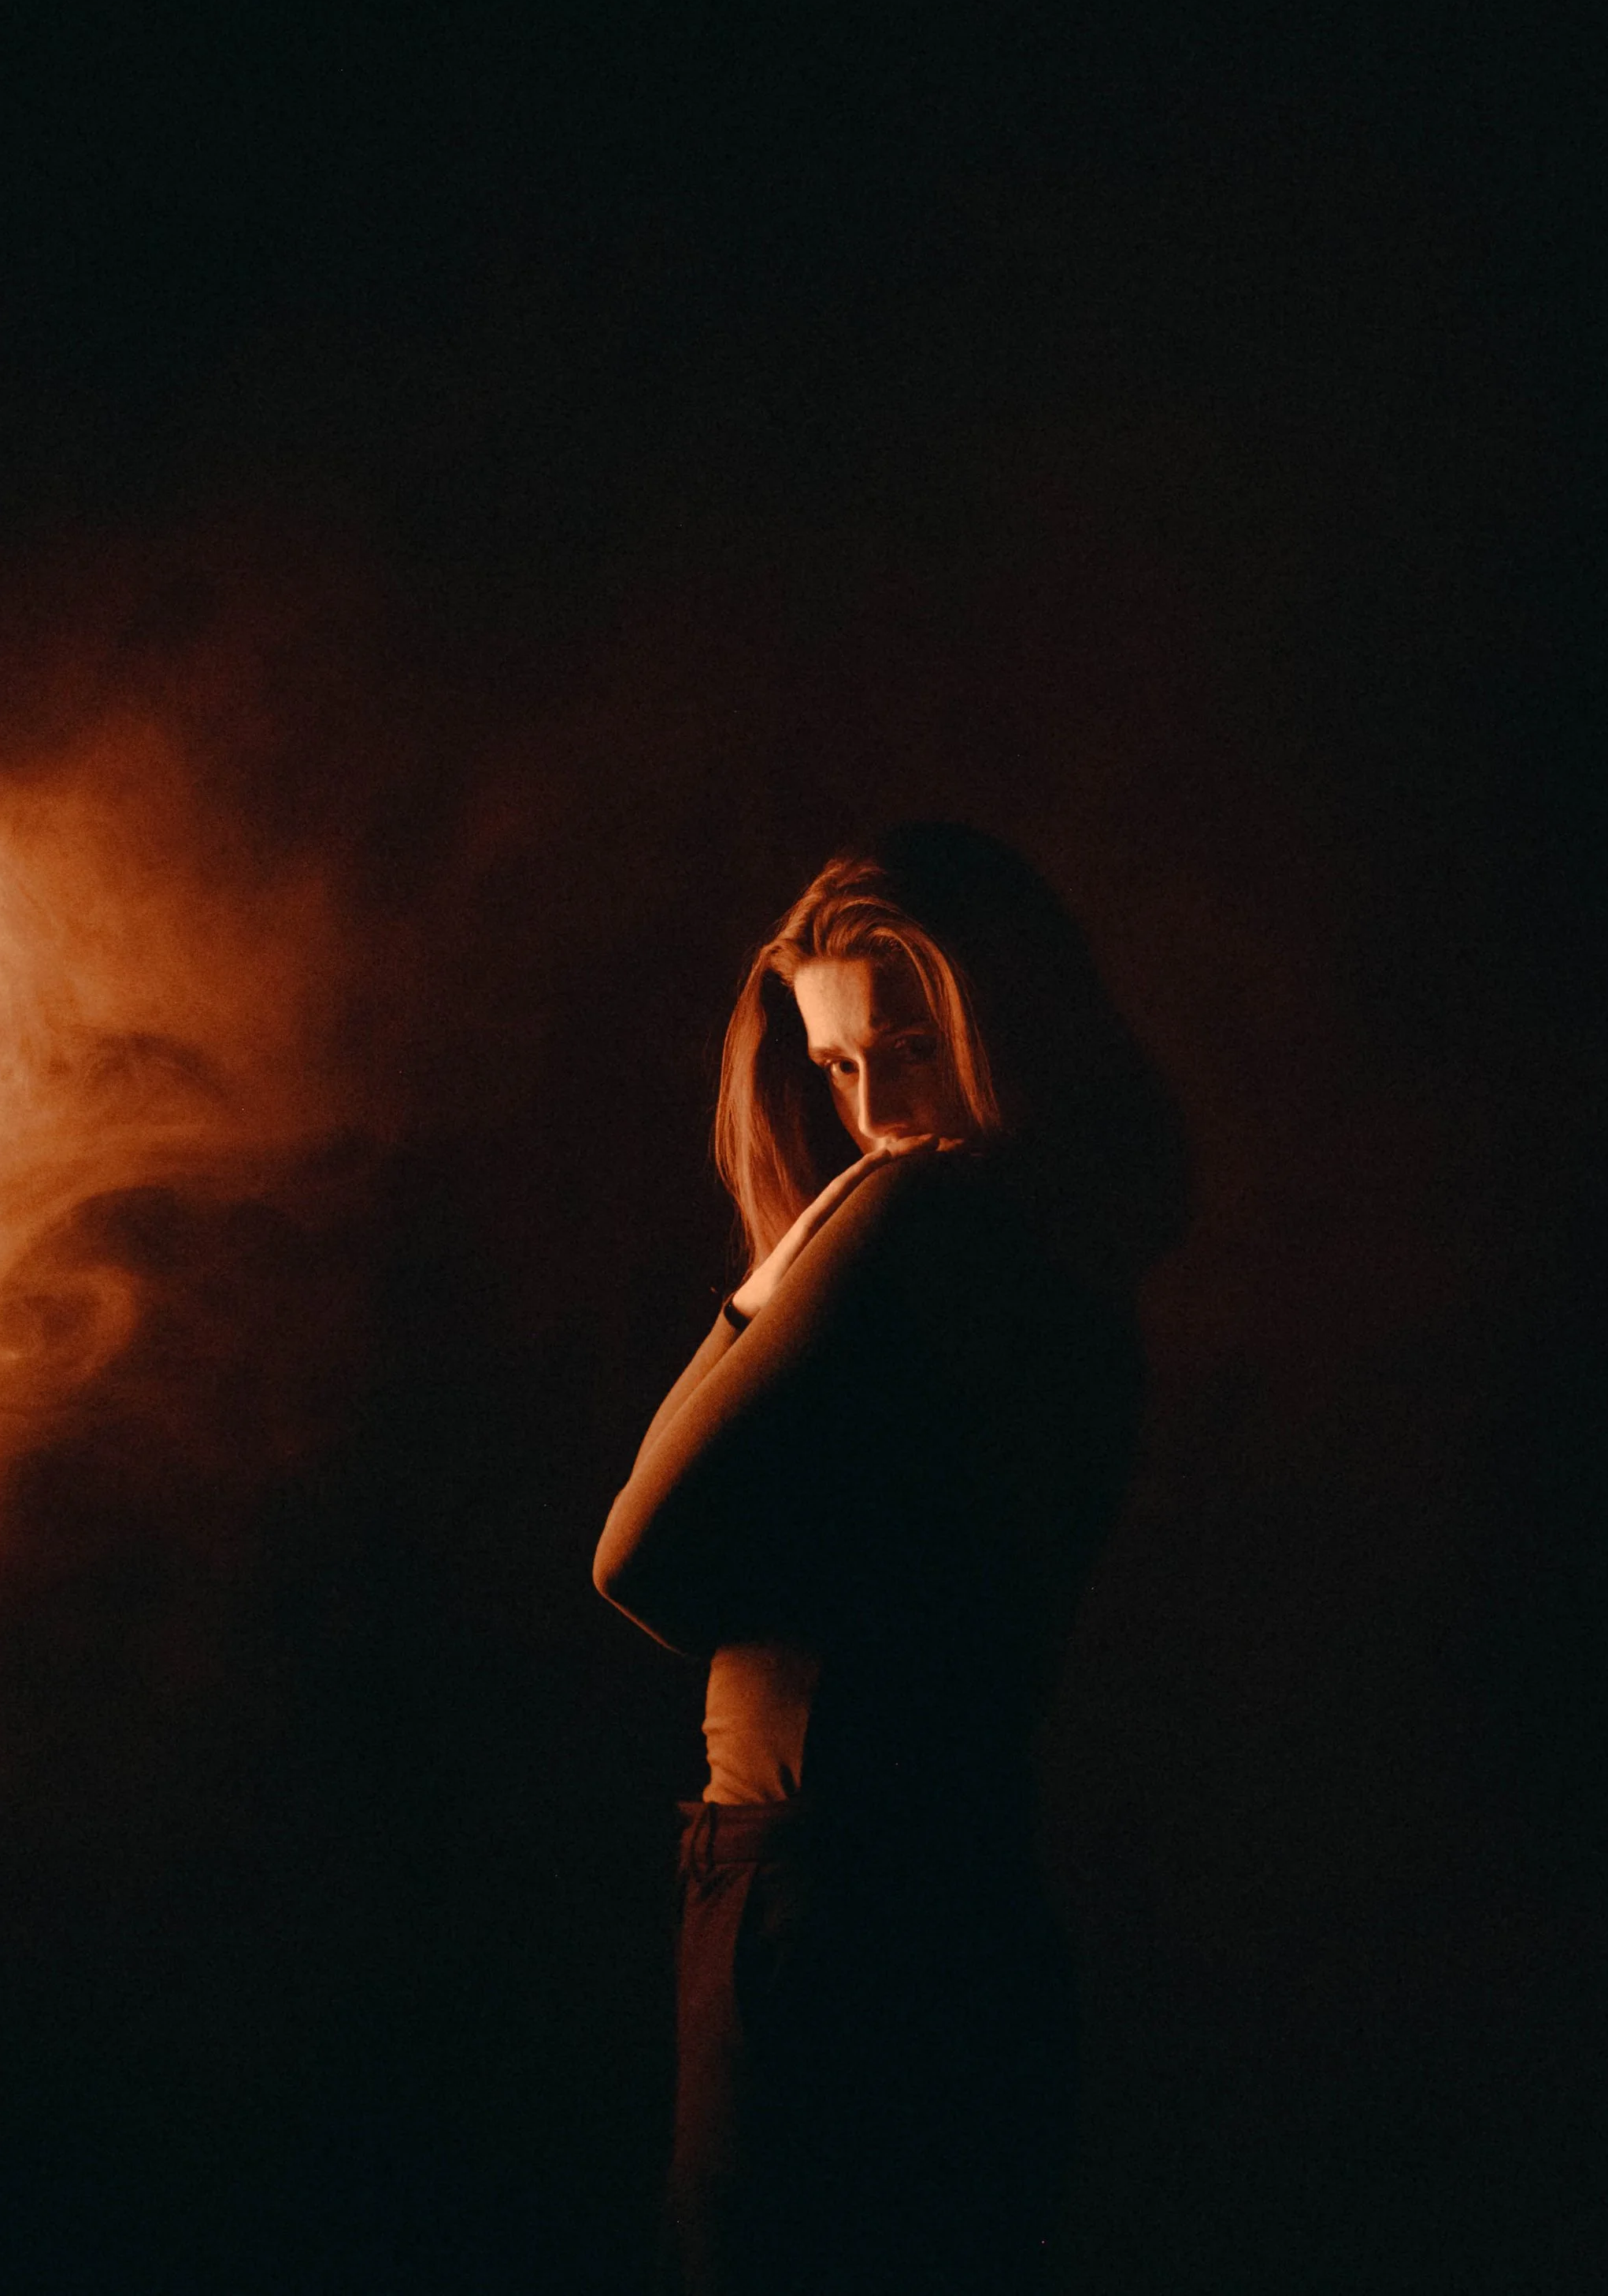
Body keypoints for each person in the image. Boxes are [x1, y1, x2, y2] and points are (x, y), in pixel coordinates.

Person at [593, 823, 1187, 2296]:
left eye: (904, 1048)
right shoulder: (1076, 1251)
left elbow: (637, 1559)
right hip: (961, 1903)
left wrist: (778, 1269)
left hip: (819, 1912)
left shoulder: (915, 1216)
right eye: (841, 1067)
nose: (873, 1114)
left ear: (1004, 1020)